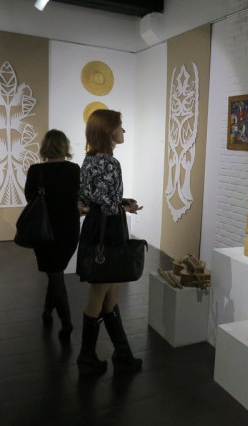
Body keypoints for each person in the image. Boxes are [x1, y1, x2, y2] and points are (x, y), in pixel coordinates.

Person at [76, 109, 143, 374]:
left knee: (110, 291)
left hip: (98, 226)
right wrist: (123, 206)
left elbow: (89, 198)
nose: (123, 130)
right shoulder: (110, 163)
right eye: (120, 125)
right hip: (108, 229)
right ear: (108, 130)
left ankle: (122, 353)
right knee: (101, 292)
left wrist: (122, 203)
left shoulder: (89, 159)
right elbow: (105, 202)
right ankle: (87, 356)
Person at [24, 129, 80, 341]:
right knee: (55, 272)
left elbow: (30, 198)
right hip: (69, 229)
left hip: (44, 229)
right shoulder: (74, 169)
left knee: (54, 273)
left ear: (45, 147)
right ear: (65, 146)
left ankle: (66, 323)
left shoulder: (36, 171)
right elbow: (77, 197)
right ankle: (47, 312)